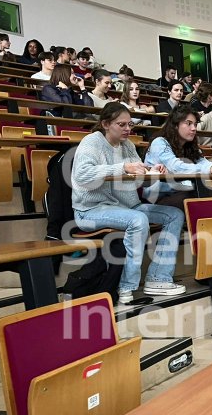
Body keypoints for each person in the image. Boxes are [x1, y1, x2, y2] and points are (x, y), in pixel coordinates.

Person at [71, 102, 186, 303]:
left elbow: (137, 175)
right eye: (121, 124)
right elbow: (82, 175)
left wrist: (152, 170)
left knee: (174, 215)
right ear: (106, 124)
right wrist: (123, 167)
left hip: (126, 206)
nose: (127, 129)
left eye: (130, 124)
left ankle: (158, 277)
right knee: (138, 220)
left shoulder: (128, 145)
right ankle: (126, 288)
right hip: (90, 210)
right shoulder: (92, 142)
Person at [143, 105, 212, 205]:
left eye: (195, 124)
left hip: (178, 190)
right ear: (176, 125)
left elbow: (203, 163)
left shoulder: (189, 145)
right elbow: (176, 167)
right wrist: (210, 169)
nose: (194, 128)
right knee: (194, 196)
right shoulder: (159, 143)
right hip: (156, 196)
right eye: (189, 124)